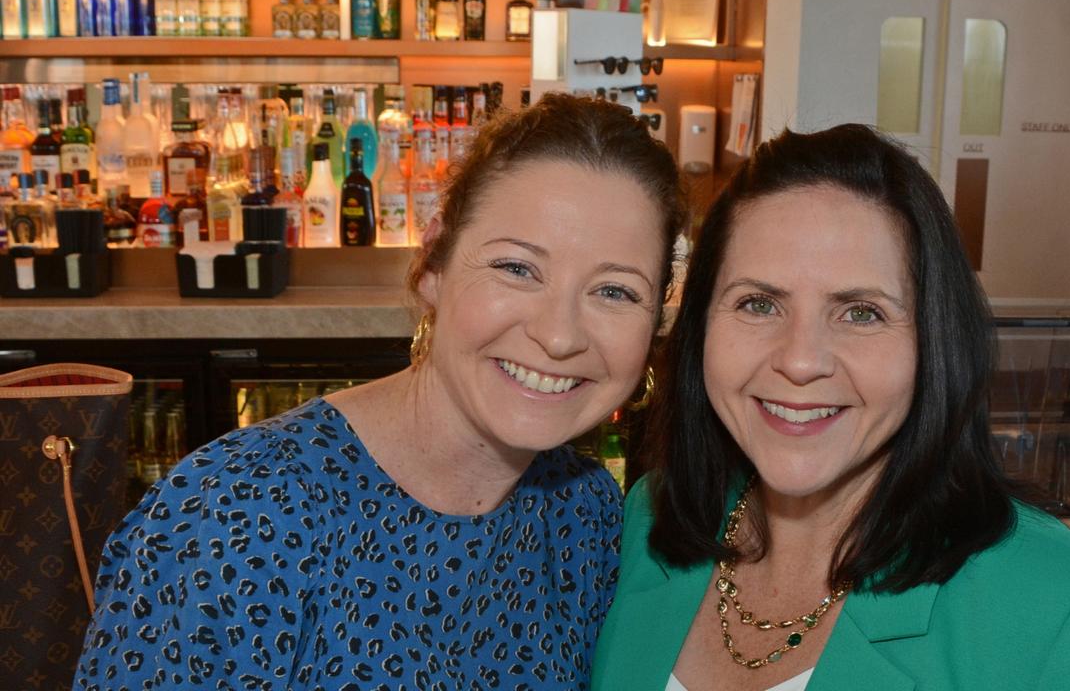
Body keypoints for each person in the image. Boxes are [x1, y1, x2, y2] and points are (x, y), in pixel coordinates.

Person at [74, 94, 685, 690]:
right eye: (516, 268)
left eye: (614, 292)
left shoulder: (585, 515)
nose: (558, 336)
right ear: (433, 264)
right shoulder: (229, 519)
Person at [592, 124, 1070, 690]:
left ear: (933, 341)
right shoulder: (649, 520)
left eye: (861, 312)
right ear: (699, 328)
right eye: (759, 304)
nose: (800, 361)